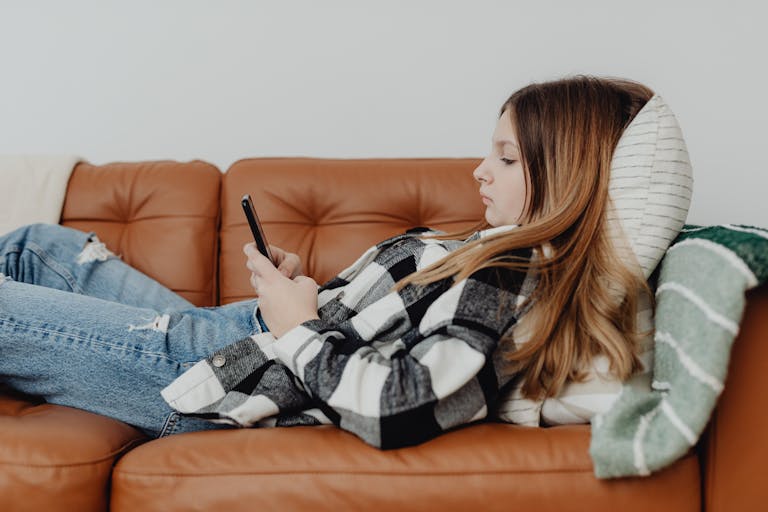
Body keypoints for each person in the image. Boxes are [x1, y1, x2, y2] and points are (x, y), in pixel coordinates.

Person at [0, 75, 691, 448]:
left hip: (214, 376)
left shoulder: (508, 278)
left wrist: (299, 327)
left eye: (506, 158)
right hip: (241, 335)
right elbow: (381, 327)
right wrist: (307, 296)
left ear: (568, 175)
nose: (480, 171)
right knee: (37, 245)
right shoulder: (491, 251)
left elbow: (398, 406)